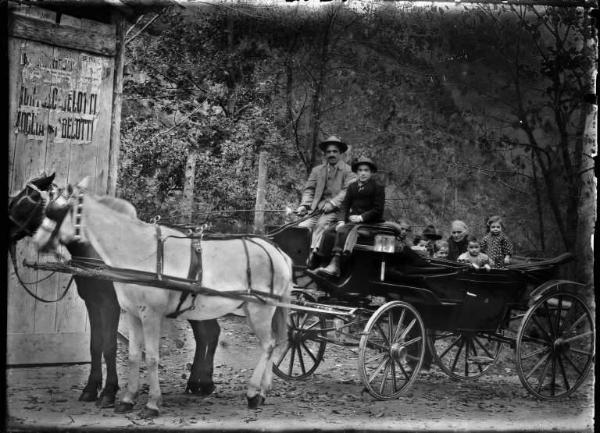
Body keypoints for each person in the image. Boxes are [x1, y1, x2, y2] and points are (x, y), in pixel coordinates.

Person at [316, 156, 384, 277]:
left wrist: (361, 217)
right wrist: (341, 220)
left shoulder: (377, 187)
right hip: (351, 221)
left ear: (371, 172)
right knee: (329, 232)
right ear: (356, 172)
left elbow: (378, 210)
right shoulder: (352, 187)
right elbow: (344, 205)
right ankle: (322, 263)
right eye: (360, 170)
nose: (363, 173)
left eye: (366, 170)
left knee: (343, 231)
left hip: (369, 223)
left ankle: (335, 265)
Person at [296, 136, 357, 269]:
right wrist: (304, 205)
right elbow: (309, 189)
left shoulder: (349, 172)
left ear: (341, 153)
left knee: (321, 225)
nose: (331, 154)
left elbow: (347, 191)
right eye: (328, 152)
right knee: (302, 227)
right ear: (325, 154)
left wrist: (333, 203)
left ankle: (313, 258)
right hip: (316, 210)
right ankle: (297, 260)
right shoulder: (317, 170)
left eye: (335, 151)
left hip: (336, 211)